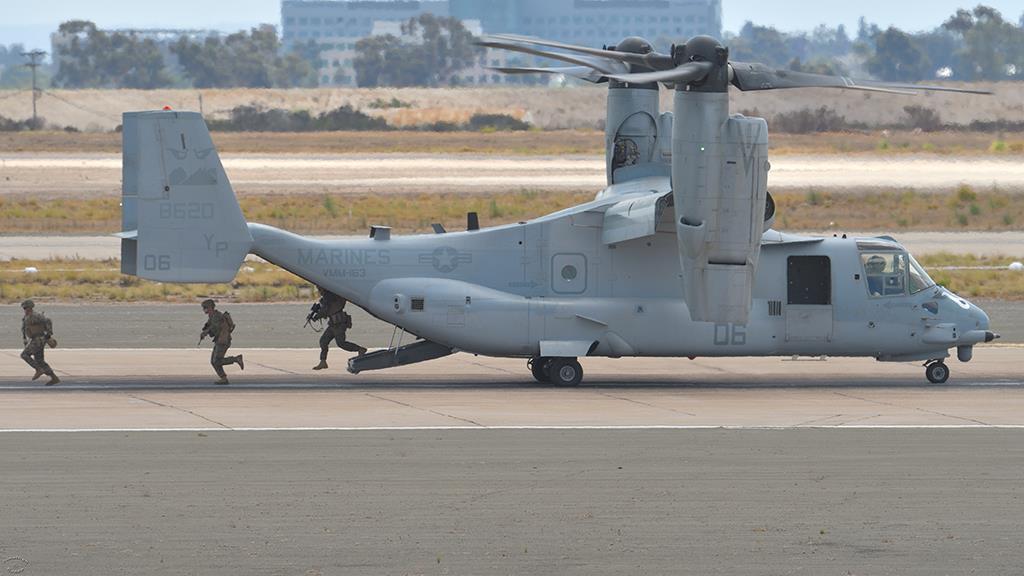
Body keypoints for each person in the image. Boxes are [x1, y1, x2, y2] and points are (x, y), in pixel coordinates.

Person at [311, 287, 366, 370]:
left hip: (339, 324)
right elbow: (325, 310)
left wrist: (316, 316)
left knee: (341, 343)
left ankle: (360, 349)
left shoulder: (333, 298)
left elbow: (325, 311)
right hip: (333, 324)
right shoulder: (327, 299)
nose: (320, 292)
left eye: (320, 290)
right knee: (323, 341)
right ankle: (323, 361)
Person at [200, 299, 243, 384]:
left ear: (210, 307)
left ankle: (236, 359)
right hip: (219, 340)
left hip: (223, 340)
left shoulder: (217, 316)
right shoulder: (212, 316)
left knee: (216, 361)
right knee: (213, 361)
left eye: (205, 307)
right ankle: (223, 378)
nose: (204, 309)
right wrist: (205, 331)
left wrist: (205, 332)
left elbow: (214, 327)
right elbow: (210, 327)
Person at [20, 300, 59, 385]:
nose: (25, 309)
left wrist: (48, 334)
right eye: (24, 308)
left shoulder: (36, 315)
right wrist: (25, 340)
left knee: (24, 355)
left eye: (26, 307)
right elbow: (24, 329)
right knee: (40, 360)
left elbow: (48, 320)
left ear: (30, 307)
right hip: (34, 339)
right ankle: (54, 378)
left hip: (39, 339)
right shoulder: (26, 317)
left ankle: (38, 369)